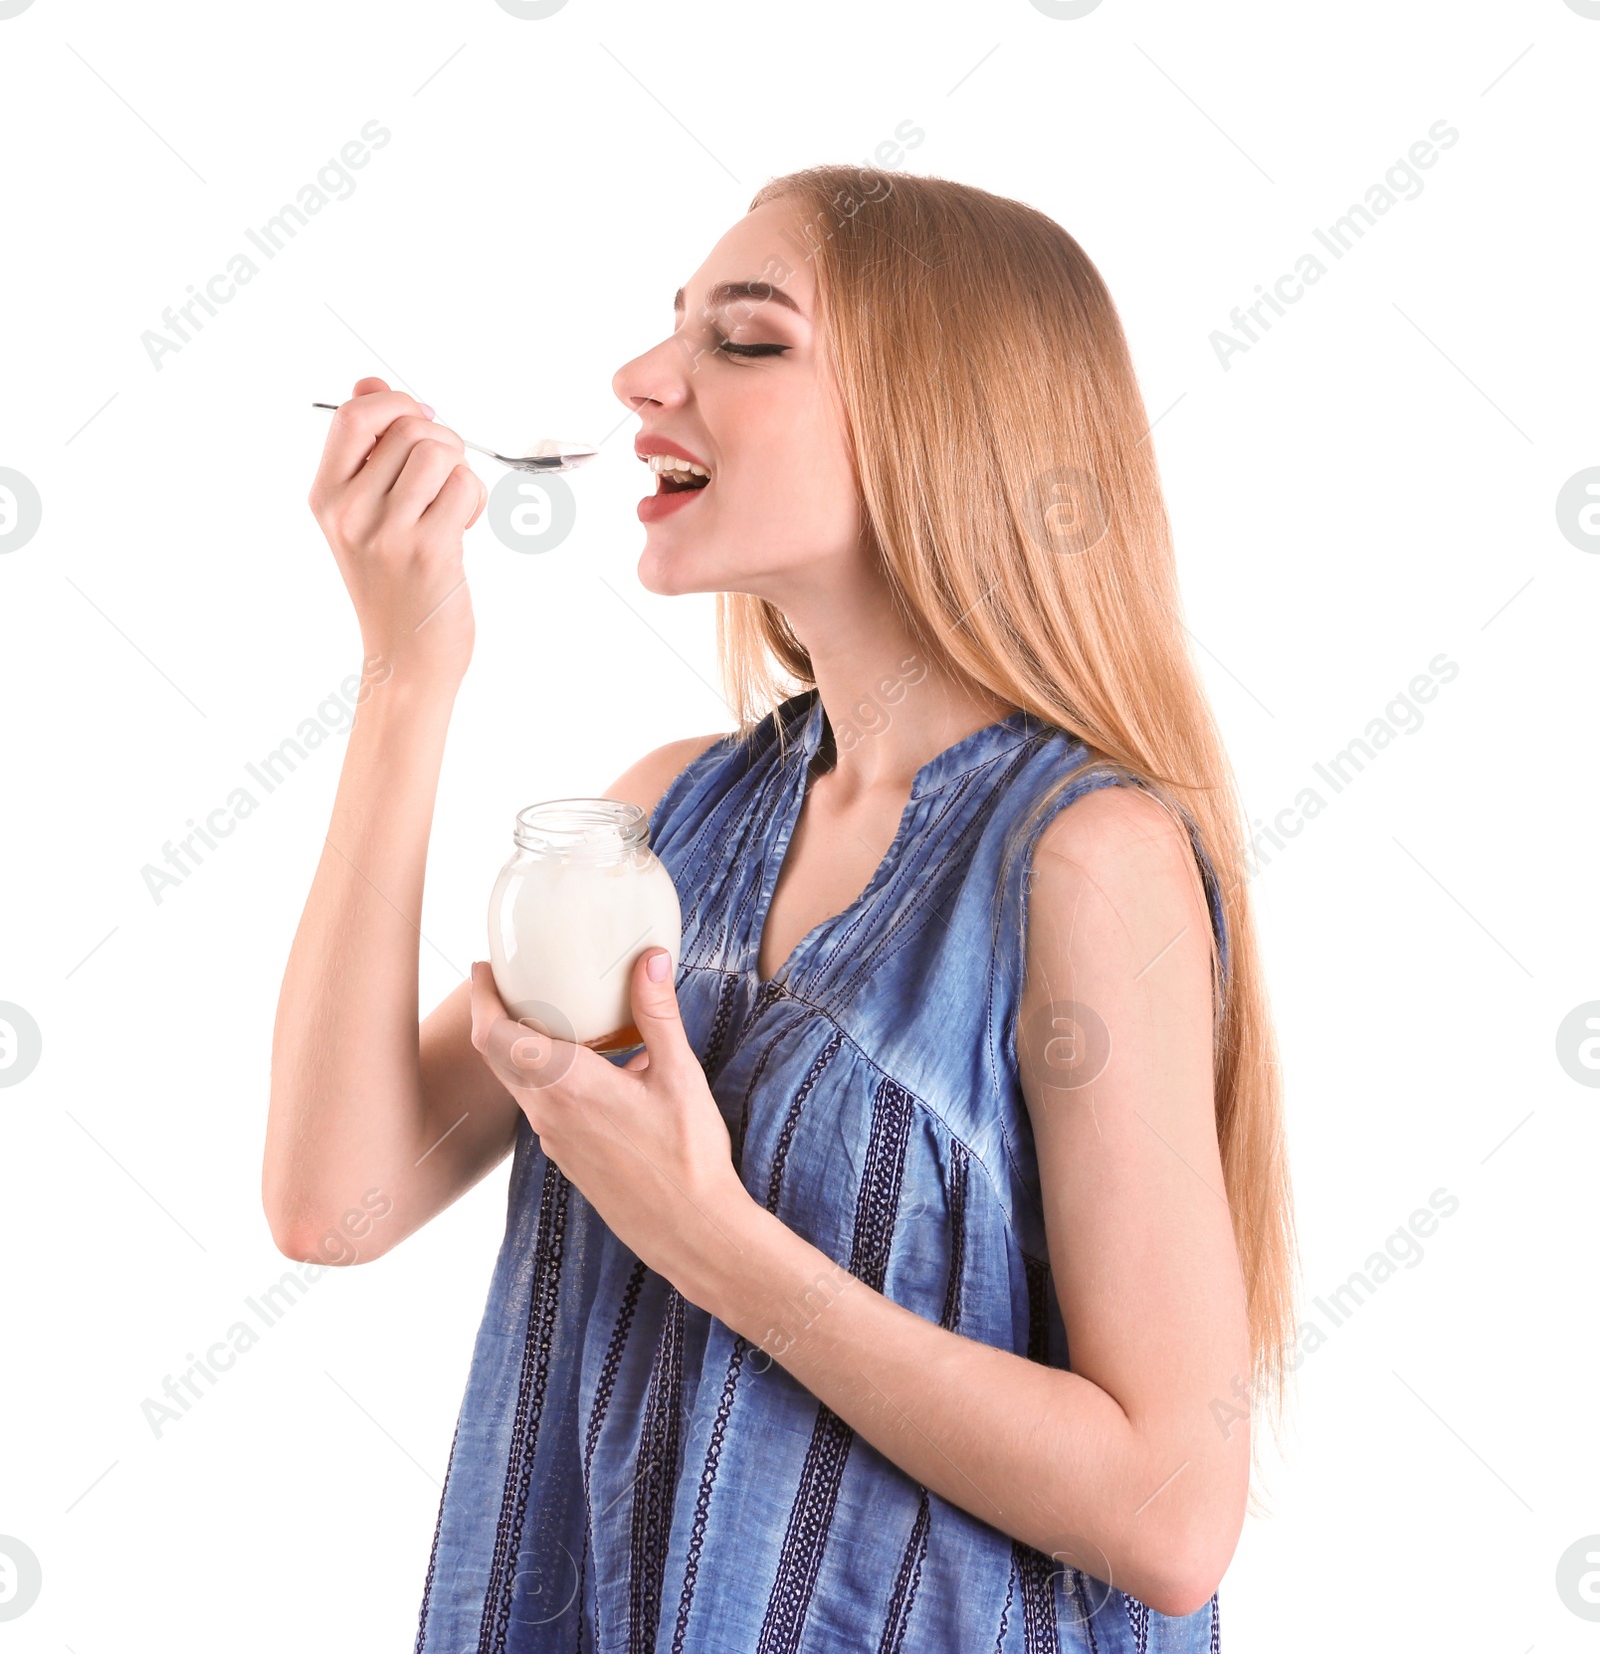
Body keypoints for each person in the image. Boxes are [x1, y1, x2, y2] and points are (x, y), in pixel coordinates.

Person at [265, 165, 1296, 1653]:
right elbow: (328, 1195)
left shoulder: (1080, 857)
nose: (638, 379)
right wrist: (408, 666)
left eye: (744, 342)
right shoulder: (668, 821)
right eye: (672, 330)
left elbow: (1173, 1519)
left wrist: (709, 1234)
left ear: (944, 421)